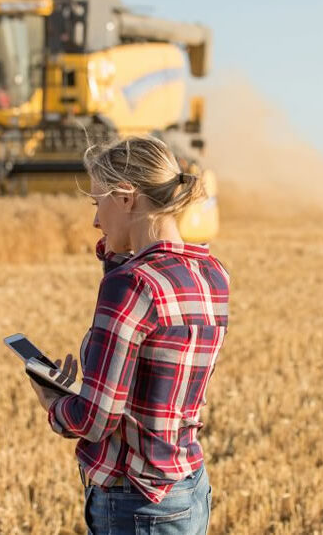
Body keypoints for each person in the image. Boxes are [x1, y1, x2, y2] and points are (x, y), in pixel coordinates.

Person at [28, 136, 230, 534]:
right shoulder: (213, 274)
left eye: (98, 201)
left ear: (126, 198)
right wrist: (117, 257)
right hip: (187, 488)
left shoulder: (130, 285)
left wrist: (54, 403)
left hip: (135, 503)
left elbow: (96, 420)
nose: (95, 221)